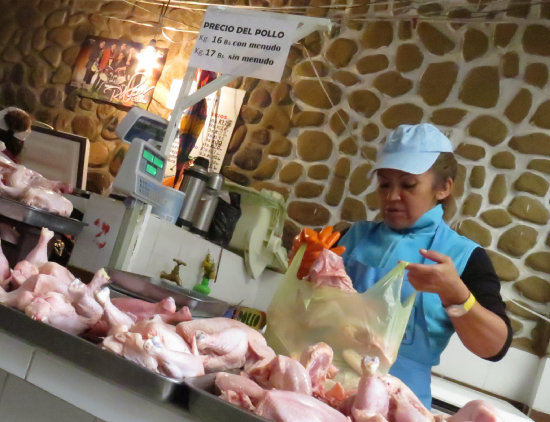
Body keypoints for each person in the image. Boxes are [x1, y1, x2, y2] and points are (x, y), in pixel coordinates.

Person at [339, 123, 512, 408]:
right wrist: (305, 266)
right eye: (384, 184)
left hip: (400, 407)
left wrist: (456, 296)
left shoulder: (464, 256)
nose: (392, 196)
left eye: (408, 185)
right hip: (327, 388)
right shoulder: (350, 236)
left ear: (443, 187)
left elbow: (494, 347)